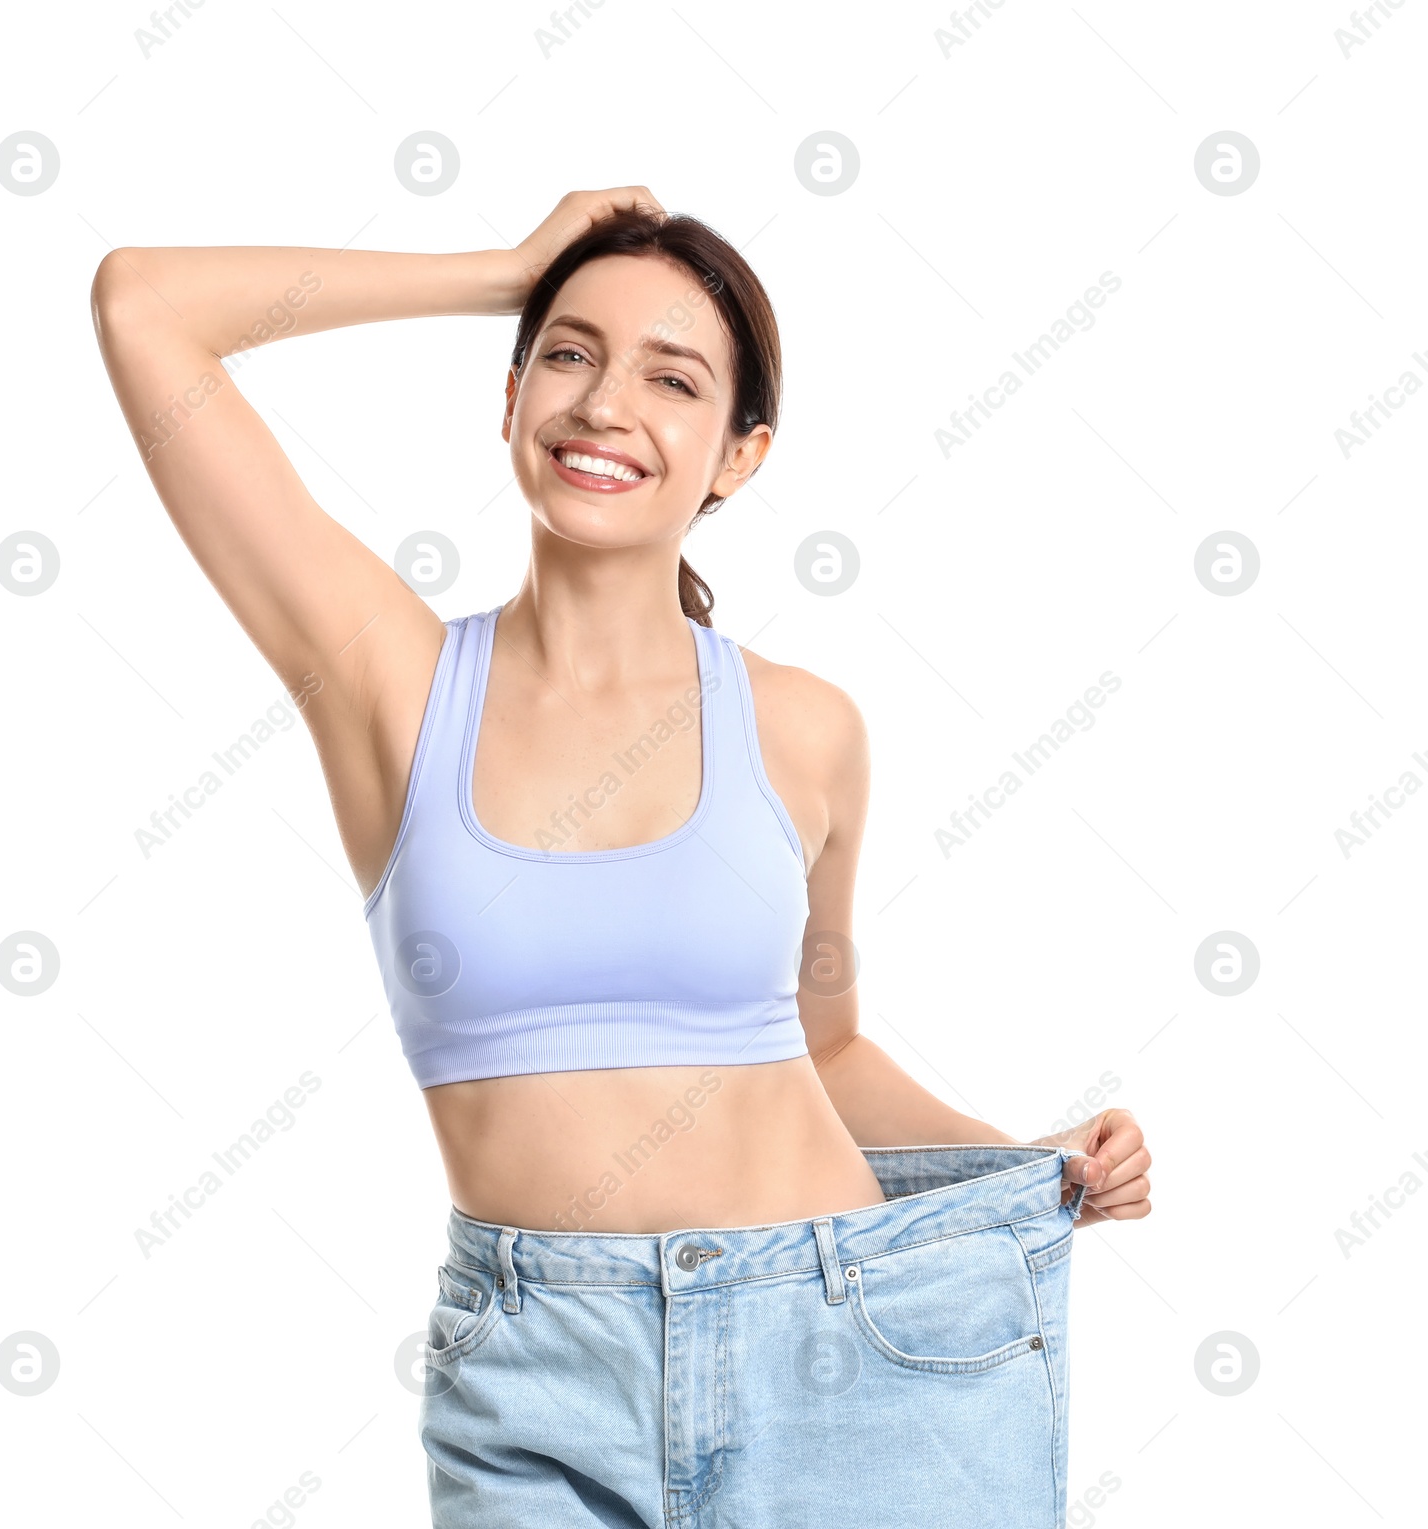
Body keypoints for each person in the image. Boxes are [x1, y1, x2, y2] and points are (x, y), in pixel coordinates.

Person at [91, 186, 1151, 1528]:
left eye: (672, 378)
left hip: (854, 1339)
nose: (604, 404)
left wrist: (1021, 1161)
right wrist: (505, 269)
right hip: (541, 1380)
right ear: (513, 394)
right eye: (571, 352)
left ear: (739, 455)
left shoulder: (802, 728)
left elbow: (823, 1054)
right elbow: (144, 308)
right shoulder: (394, 686)